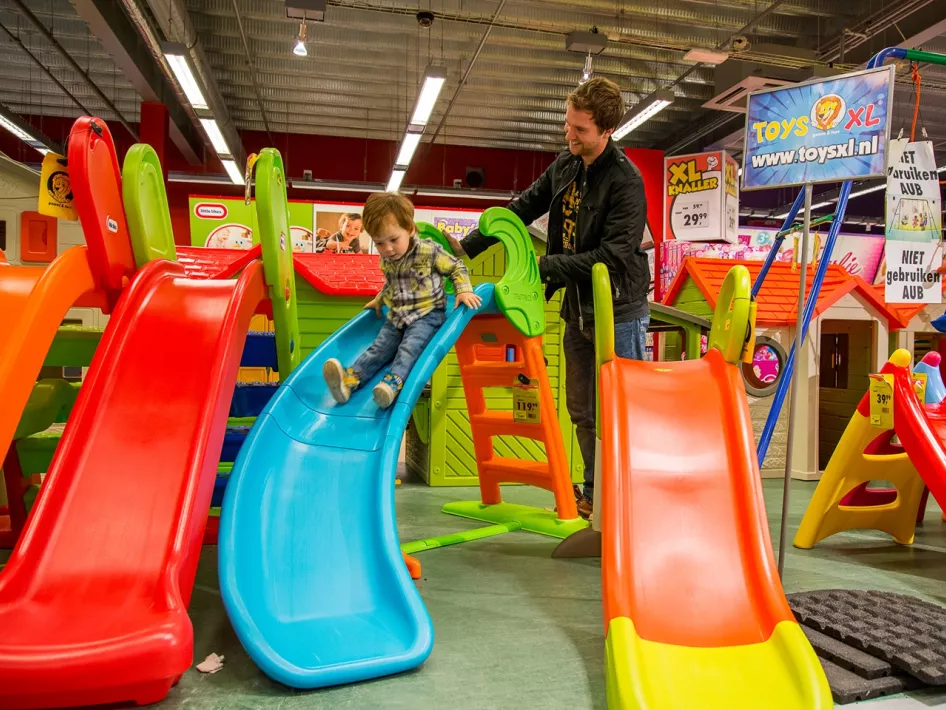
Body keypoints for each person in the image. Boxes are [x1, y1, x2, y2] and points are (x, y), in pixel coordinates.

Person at [443, 77, 650, 519]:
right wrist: (469, 245)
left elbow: (613, 256)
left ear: (607, 130)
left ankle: (631, 503)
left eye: (580, 130)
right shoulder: (565, 165)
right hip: (576, 307)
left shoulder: (627, 181)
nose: (569, 135)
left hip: (619, 310)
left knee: (623, 411)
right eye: (568, 125)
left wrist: (545, 267)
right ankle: (595, 494)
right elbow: (520, 209)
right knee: (582, 408)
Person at [323, 192, 483, 409]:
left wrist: (463, 290)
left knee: (409, 349)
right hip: (398, 316)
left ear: (410, 230)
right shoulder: (386, 259)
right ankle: (349, 382)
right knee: (378, 349)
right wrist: (380, 299)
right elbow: (392, 284)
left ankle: (392, 383)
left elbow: (456, 267)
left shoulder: (428, 250)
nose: (387, 248)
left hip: (427, 316)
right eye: (379, 243)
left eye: (393, 240)